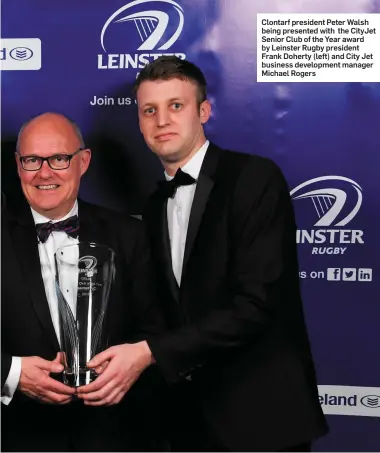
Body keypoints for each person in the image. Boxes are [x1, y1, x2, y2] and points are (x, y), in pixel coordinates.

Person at [77, 57, 328, 452]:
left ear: (203, 111)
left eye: (176, 105)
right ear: (140, 122)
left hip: (262, 420)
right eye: (149, 110)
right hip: (191, 423)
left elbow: (255, 307)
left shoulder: (254, 179)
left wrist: (148, 353)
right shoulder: (155, 204)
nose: (162, 120)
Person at [1, 112, 165, 452]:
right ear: (18, 165)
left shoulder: (129, 234)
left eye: (59, 158)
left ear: (83, 161)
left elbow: (156, 327)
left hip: (113, 435)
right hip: (17, 435)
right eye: (32, 160)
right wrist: (10, 372)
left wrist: (131, 363)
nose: (44, 172)